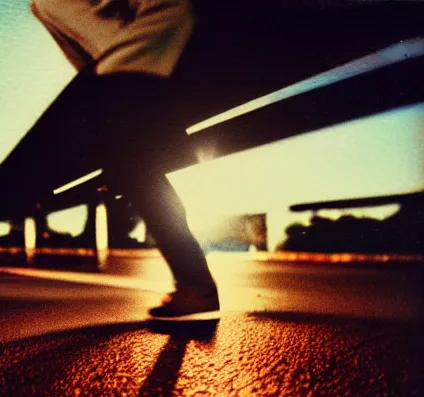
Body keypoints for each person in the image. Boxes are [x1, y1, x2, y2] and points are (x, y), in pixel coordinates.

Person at [29, 0, 421, 317]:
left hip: (157, 38)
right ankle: (195, 283)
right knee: (132, 170)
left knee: (134, 168)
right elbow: (81, 56)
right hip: (119, 73)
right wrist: (102, 104)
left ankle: (196, 285)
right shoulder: (40, 6)